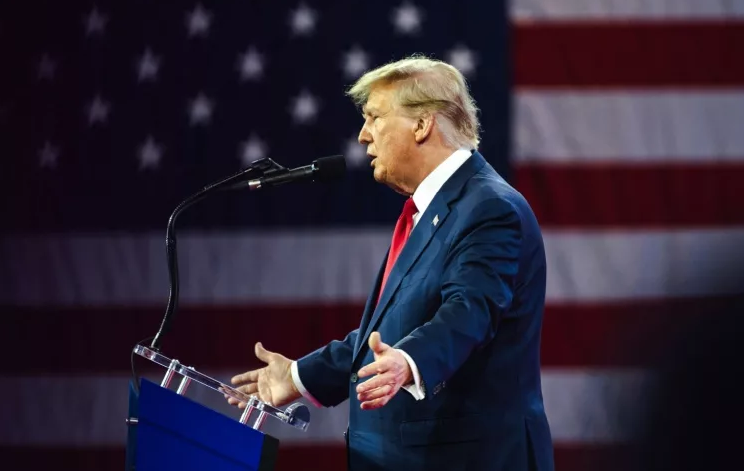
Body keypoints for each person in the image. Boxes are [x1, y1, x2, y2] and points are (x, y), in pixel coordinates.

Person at [229, 56, 554, 470]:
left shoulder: (490, 208)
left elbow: (470, 310)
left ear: (422, 125)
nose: (364, 136)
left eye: (375, 117)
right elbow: (391, 329)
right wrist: (297, 377)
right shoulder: (434, 210)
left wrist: (410, 361)